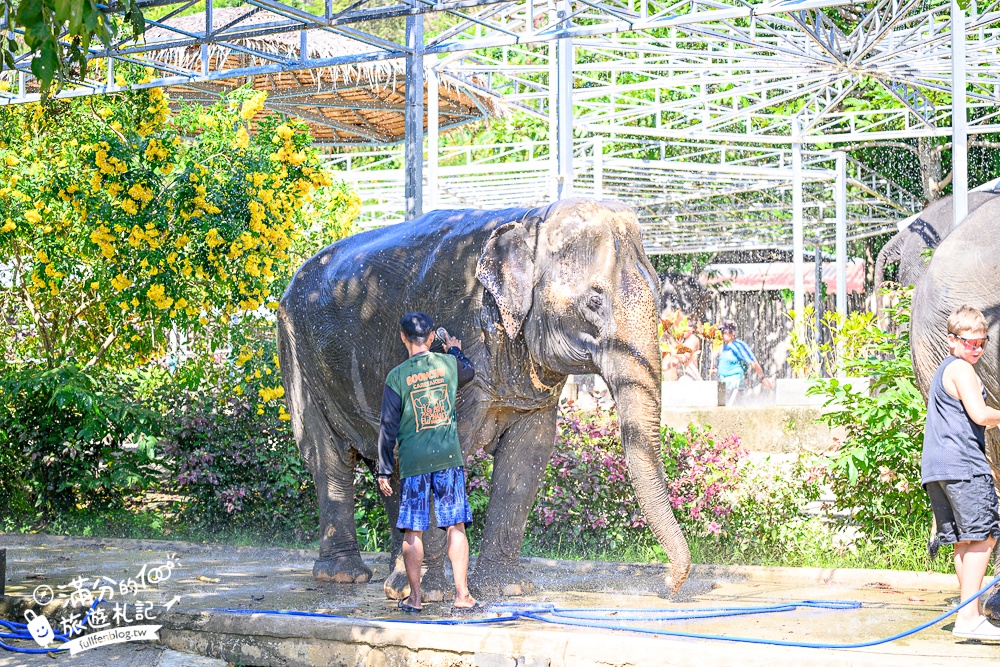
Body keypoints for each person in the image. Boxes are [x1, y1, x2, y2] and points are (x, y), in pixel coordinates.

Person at [376, 312, 480, 614]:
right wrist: (455, 348)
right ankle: (462, 595)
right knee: (455, 526)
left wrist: (383, 468)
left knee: (413, 531)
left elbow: (387, 426)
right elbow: (469, 371)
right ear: (432, 337)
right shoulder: (448, 364)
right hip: (448, 460)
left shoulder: (397, 377)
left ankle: (416, 599)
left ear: (402, 337)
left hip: (414, 464)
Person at [921, 305, 1000, 640]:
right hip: (964, 465)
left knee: (965, 541)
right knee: (986, 535)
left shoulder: (944, 370)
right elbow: (980, 414)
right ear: (951, 340)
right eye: (970, 342)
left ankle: (968, 616)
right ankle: (969, 617)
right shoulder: (962, 370)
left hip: (937, 469)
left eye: (982, 343)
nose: (977, 349)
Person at [711, 320, 773, 402]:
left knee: (731, 410)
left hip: (734, 385)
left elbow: (753, 362)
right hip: (724, 385)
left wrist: (763, 378)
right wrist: (717, 370)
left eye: (723, 332)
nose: (721, 334)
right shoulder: (727, 347)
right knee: (722, 411)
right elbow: (732, 365)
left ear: (731, 333)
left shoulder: (739, 345)